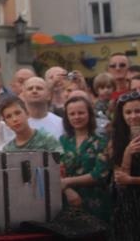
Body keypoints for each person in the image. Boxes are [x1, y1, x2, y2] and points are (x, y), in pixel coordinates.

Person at [59, 96, 110, 223]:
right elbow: (57, 171)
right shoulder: (63, 141)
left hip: (96, 204)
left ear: (89, 114)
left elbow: (100, 174)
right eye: (72, 114)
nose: (76, 117)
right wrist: (67, 190)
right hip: (68, 203)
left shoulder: (102, 140)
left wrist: (67, 182)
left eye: (81, 113)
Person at [111, 90, 140, 240]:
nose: (133, 116)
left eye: (138, 111)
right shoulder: (118, 138)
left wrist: (131, 180)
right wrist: (127, 153)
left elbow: (127, 179)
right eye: (128, 112)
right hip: (129, 205)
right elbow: (121, 180)